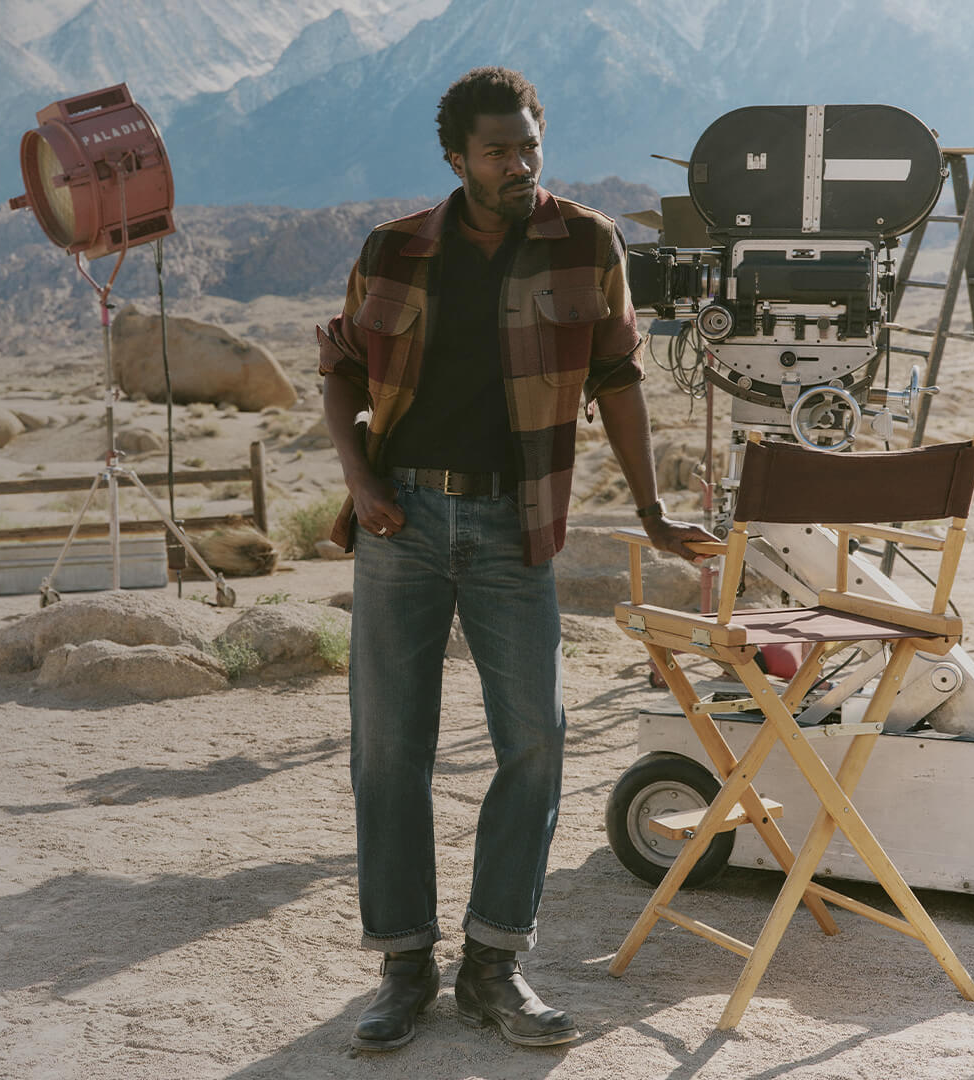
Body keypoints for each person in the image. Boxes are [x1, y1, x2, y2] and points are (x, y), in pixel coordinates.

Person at [317, 65, 714, 1052]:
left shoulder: (586, 243)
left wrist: (656, 510)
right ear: (456, 158)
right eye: (498, 151)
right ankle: (405, 965)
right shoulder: (394, 249)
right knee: (389, 750)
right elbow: (340, 375)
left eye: (530, 145)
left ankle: (494, 962)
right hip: (401, 523)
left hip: (515, 525)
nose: (519, 165)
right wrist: (362, 483)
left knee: (535, 739)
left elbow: (618, 378)